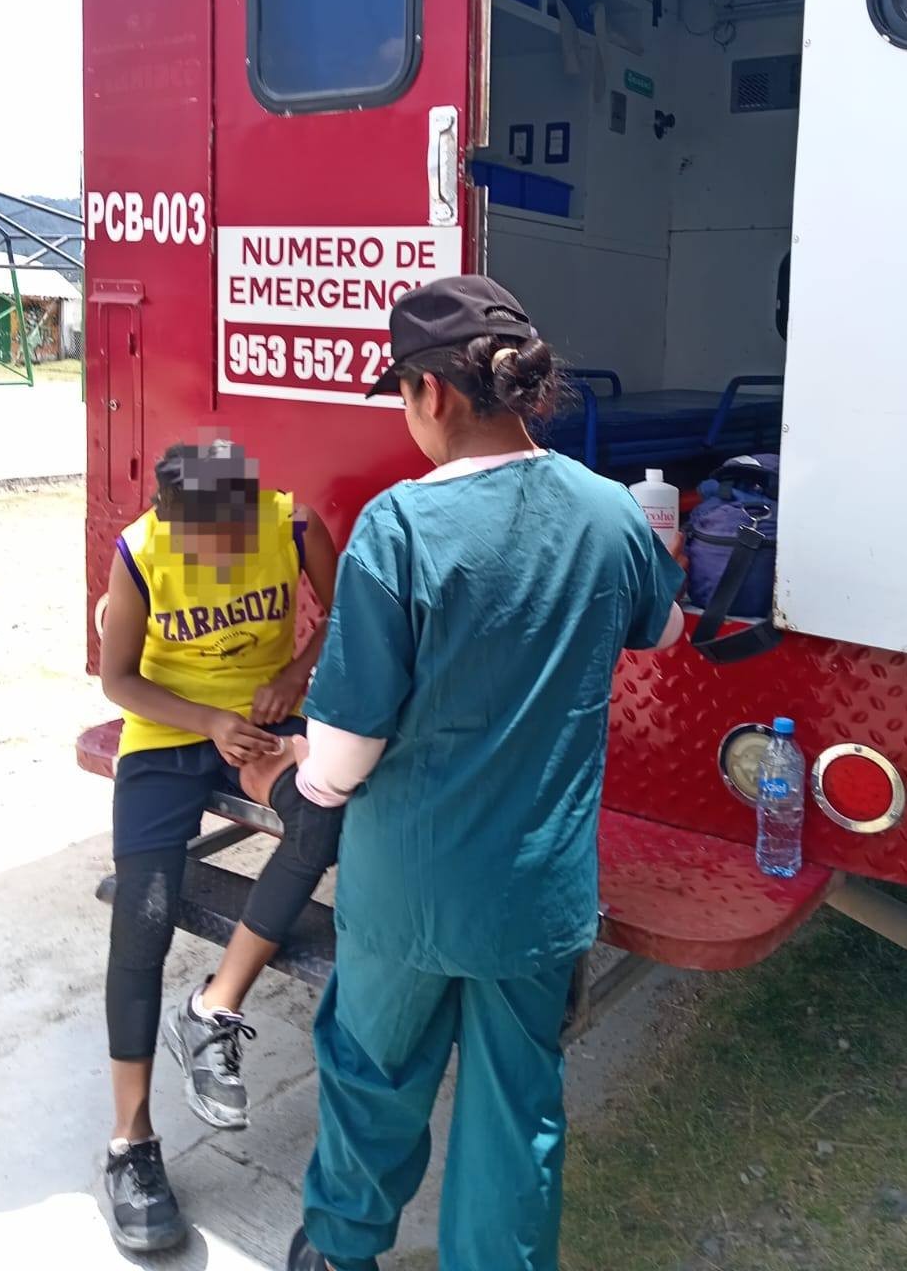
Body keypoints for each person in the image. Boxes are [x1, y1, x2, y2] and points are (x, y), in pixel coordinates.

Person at [286, 275, 686, 1271]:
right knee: (517, 1106)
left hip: (409, 889)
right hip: (536, 894)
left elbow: (340, 757)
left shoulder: (398, 527)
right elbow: (665, 625)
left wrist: (303, 768)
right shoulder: (608, 513)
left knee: (374, 1070)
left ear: (432, 394)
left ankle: (339, 1249)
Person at [99, 438, 340, 1253]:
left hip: (263, 726)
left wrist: (298, 675)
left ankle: (213, 1008)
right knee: (145, 911)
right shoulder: (140, 553)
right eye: (203, 542)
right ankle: (131, 1145)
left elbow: (346, 614)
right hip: (168, 731)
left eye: (232, 535)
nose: (223, 556)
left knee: (322, 814)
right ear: (171, 523)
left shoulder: (294, 525)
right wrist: (205, 721)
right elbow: (117, 678)